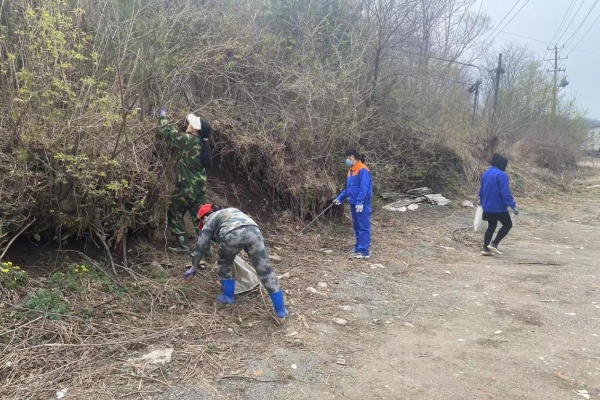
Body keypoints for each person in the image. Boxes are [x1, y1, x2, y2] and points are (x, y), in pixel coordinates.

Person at [184, 204, 289, 319]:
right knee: (265, 270)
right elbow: (243, 227)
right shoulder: (232, 211)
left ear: (204, 217)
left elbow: (201, 245)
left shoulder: (209, 220)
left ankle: (228, 297)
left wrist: (194, 265)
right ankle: (281, 310)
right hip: (254, 231)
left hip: (231, 234)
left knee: (224, 265)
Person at [156, 108, 212, 253]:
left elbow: (167, 132)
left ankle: (183, 245)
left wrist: (163, 116)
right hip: (200, 187)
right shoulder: (204, 144)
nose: (188, 124)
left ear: (194, 129)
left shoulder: (188, 140)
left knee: (174, 213)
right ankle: (206, 249)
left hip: (186, 186)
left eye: (190, 123)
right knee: (198, 218)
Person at [333, 148, 373, 260]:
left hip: (362, 203)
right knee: (356, 226)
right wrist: (340, 198)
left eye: (347, 158)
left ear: (352, 157)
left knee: (363, 226)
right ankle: (358, 248)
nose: (346, 160)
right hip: (353, 202)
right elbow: (349, 188)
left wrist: (360, 201)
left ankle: (364, 251)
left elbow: (364, 187)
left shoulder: (362, 169)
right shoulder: (351, 170)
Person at [479, 153, 519, 256]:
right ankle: (494, 243)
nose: (505, 167)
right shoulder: (501, 175)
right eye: (505, 165)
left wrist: (482, 203)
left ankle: (485, 248)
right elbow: (505, 192)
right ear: (501, 164)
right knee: (507, 224)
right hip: (498, 207)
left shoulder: (486, 174)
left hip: (487, 206)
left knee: (492, 226)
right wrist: (512, 205)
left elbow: (481, 191)